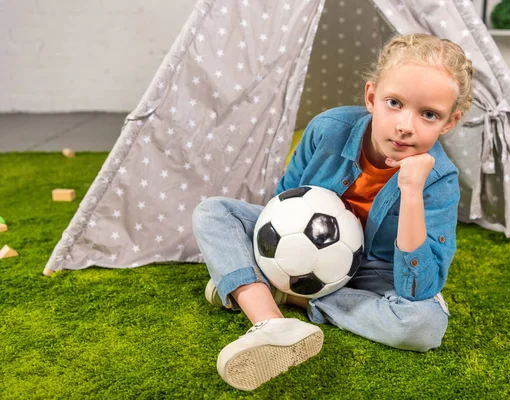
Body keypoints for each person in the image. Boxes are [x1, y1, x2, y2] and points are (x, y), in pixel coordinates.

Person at [192, 33, 473, 391]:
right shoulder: (327, 129)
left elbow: (418, 288)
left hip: (377, 271)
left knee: (423, 325)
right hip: (305, 252)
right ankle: (272, 322)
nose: (406, 125)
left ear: (449, 123)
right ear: (371, 97)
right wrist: (290, 260)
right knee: (213, 212)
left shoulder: (440, 180)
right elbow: (281, 205)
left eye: (429, 114)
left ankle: (283, 294)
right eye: (394, 103)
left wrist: (413, 192)